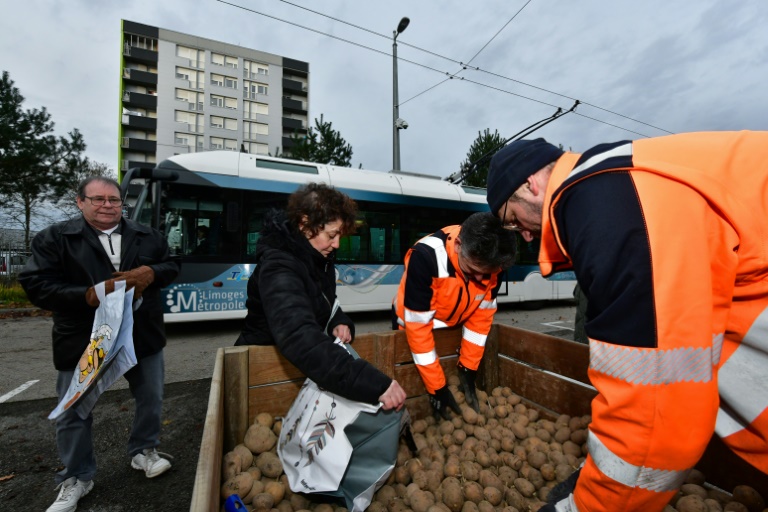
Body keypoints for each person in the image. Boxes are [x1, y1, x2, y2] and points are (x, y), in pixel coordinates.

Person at [485, 133, 768, 512]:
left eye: (511, 219)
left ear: (530, 184)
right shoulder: (614, 182)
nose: (521, 233)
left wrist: (583, 506)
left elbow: (653, 410)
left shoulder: (604, 205)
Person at [19, 176, 180, 512]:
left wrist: (151, 272)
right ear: (80, 202)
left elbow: (172, 265)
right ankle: (77, 476)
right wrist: (87, 295)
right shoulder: (55, 238)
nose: (108, 205)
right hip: (85, 340)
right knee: (75, 408)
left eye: (114, 200)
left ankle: (143, 451)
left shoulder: (148, 235)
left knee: (151, 397)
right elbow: (36, 284)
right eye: (98, 199)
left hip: (141, 336)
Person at [235, 182, 406, 410]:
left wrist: (338, 320)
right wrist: (372, 384)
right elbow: (299, 336)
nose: (336, 244)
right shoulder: (279, 266)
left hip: (299, 369)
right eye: (332, 235)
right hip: (260, 371)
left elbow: (324, 301)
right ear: (305, 224)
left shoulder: (316, 256)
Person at [392, 212, 516, 419]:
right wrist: (437, 387)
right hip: (414, 327)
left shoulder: (495, 263)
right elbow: (418, 330)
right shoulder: (425, 258)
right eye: (473, 270)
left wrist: (468, 368)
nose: (480, 279)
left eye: (487, 274)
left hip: (454, 325)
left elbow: (481, 319)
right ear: (458, 245)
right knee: (411, 385)